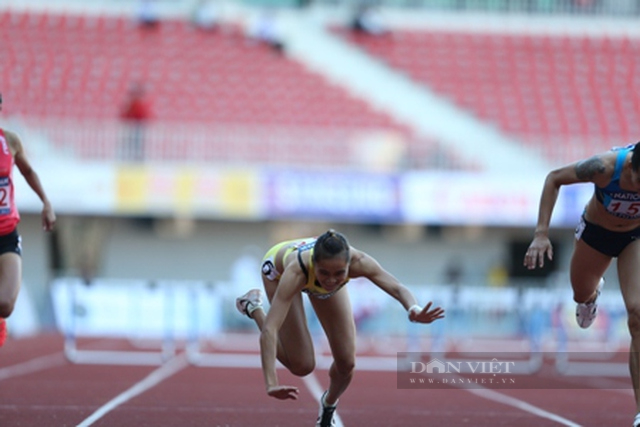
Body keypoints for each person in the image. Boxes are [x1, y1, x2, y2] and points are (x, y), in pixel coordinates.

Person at [235, 229, 445, 427]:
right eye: (324, 272)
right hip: (277, 272)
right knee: (302, 365)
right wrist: (271, 382)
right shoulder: (296, 272)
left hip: (314, 270)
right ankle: (254, 306)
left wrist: (413, 309)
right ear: (314, 265)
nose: (331, 280)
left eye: (339, 273)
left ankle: (328, 405)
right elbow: (270, 330)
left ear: (349, 267)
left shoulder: (359, 262)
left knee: (347, 363)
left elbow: (397, 288)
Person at [523, 141, 640, 427]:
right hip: (597, 234)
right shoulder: (604, 166)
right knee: (580, 293)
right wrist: (541, 233)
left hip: (636, 237)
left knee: (637, 316)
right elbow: (554, 178)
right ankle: (590, 296)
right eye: (638, 181)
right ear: (631, 166)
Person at [0, 93, 56, 347]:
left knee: (6, 304)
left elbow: (28, 171)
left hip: (7, 235)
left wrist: (46, 202)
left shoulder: (9, 140)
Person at [120, 83, 152, 162]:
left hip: (137, 125)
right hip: (133, 125)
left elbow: (141, 114)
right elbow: (129, 114)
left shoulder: (136, 103)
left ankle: (136, 158)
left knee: (136, 143)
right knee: (132, 142)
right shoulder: (132, 103)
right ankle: (132, 158)